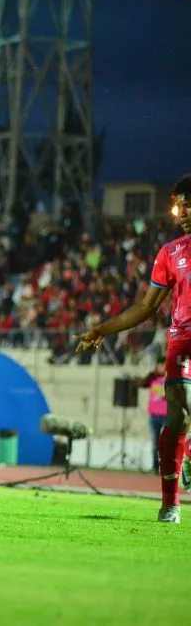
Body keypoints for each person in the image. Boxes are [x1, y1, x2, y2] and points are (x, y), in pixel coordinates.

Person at [75, 174, 191, 524]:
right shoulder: (171, 253)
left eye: (188, 204)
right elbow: (145, 307)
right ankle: (170, 503)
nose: (182, 212)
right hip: (183, 338)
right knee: (179, 414)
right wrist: (103, 329)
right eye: (178, 206)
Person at [140, 358, 167, 474]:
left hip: (166, 416)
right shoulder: (153, 378)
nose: (162, 368)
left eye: (164, 365)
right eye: (160, 365)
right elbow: (142, 384)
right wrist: (150, 375)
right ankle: (155, 467)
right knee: (155, 444)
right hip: (153, 416)